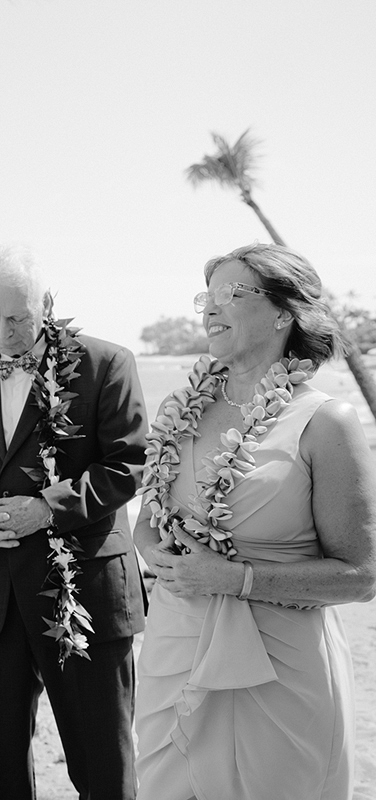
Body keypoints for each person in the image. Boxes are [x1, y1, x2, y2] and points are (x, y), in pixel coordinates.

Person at [134, 242, 376, 800]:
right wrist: (155, 551)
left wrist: (235, 580)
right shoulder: (181, 410)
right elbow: (148, 520)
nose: (210, 310)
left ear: (284, 314)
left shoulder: (325, 423)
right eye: (207, 296)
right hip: (177, 653)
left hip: (279, 670)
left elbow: (361, 576)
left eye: (232, 295)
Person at [0, 244, 149, 800]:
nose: (3, 333)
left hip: (83, 595)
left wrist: (47, 508)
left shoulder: (107, 364)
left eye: (18, 318)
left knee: (102, 765)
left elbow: (127, 464)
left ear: (46, 303)